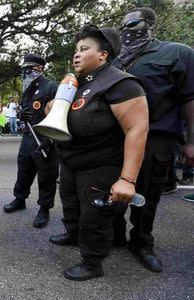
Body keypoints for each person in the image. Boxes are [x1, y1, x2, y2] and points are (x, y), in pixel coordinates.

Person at [47, 24, 148, 280]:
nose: (76, 55)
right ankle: (72, 234)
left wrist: (127, 179)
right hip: (72, 161)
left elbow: (137, 130)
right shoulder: (77, 84)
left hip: (100, 166)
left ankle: (93, 262)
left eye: (84, 49)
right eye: (76, 50)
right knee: (70, 204)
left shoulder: (121, 84)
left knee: (94, 215)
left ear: (103, 54)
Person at [113, 7, 194, 272]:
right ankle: (115, 236)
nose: (126, 30)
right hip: (115, 138)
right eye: (122, 26)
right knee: (113, 190)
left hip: (156, 137)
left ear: (149, 24)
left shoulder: (177, 53)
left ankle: (142, 242)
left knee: (147, 194)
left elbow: (190, 98)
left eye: (132, 24)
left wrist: (191, 141)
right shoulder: (116, 59)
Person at [3, 53, 59, 229]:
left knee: (46, 174)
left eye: (28, 69)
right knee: (24, 170)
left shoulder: (51, 87)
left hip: (44, 138)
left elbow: (59, 115)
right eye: (24, 69)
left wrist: (51, 139)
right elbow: (23, 111)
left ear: (39, 69)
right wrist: (21, 115)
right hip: (28, 136)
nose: (25, 73)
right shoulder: (27, 88)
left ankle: (44, 208)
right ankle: (20, 199)